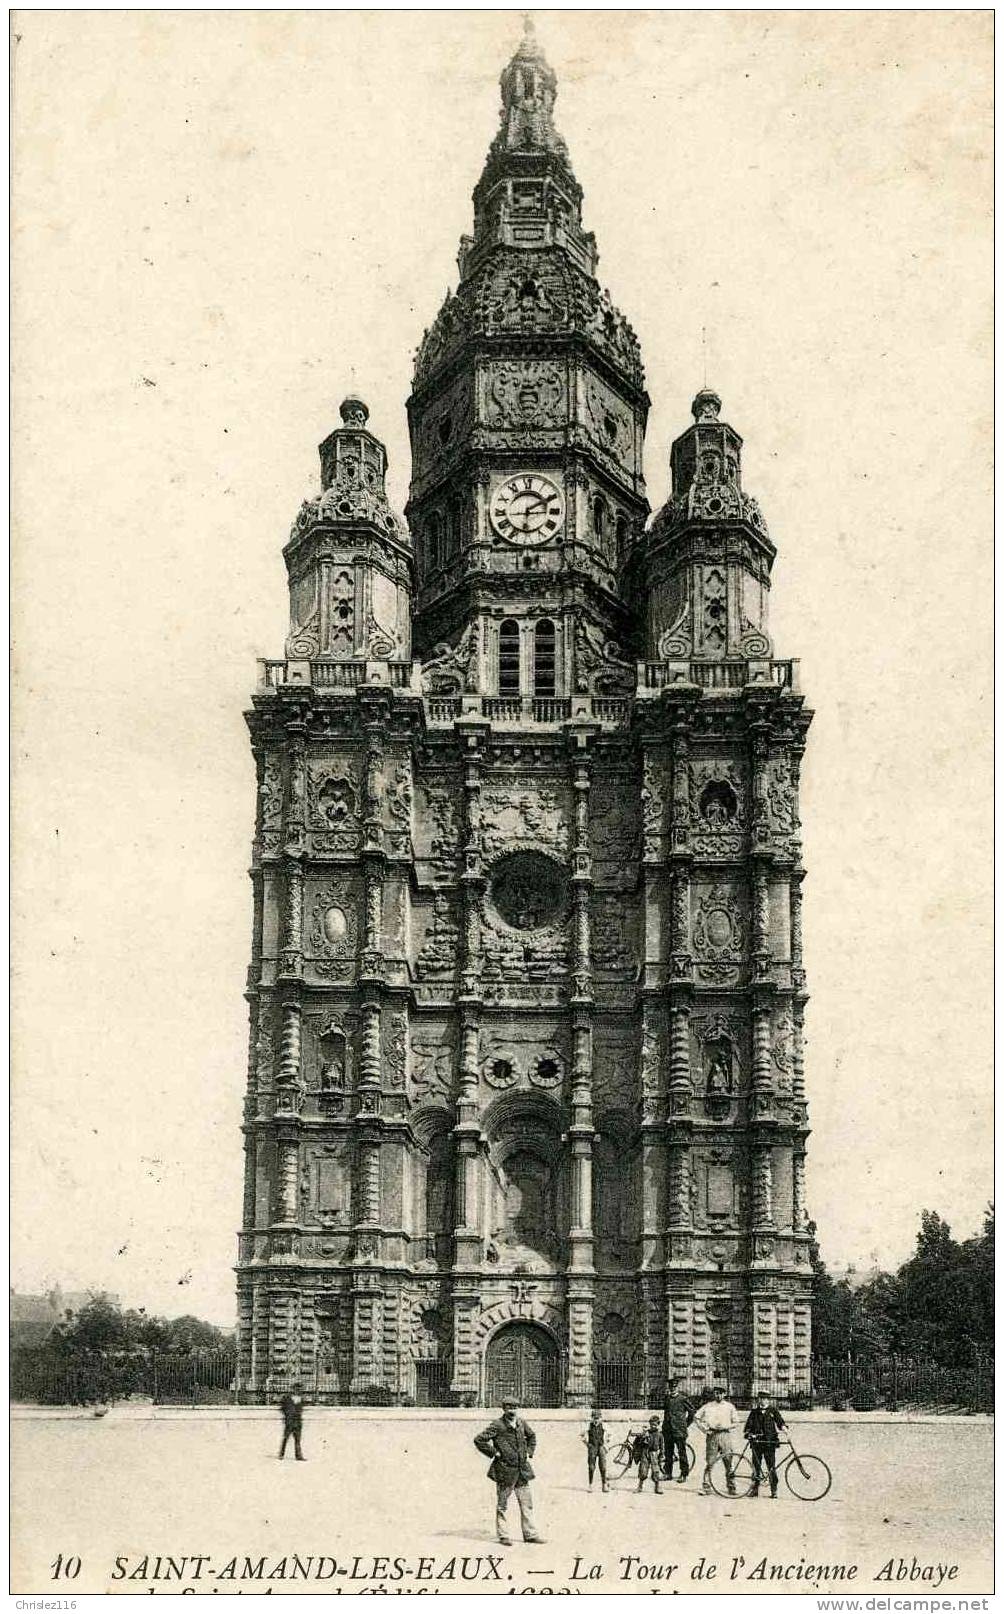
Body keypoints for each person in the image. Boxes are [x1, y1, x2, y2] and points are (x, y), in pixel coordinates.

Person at [474, 1399, 544, 1545]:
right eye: (509, 1408)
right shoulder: (497, 1425)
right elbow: (479, 1440)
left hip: (522, 1471)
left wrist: (529, 1452)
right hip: (505, 1471)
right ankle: (503, 1535)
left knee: (527, 1504)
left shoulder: (521, 1423)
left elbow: (532, 1437)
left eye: (515, 1407)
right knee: (503, 1505)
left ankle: (530, 1534)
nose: (512, 1410)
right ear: (504, 1409)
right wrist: (494, 1453)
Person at [694, 1385, 741, 1496]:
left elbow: (736, 1422)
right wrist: (704, 1429)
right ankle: (706, 1487)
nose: (718, 1395)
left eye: (720, 1393)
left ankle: (731, 1487)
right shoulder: (708, 1406)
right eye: (716, 1393)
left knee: (728, 1462)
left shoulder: (729, 1407)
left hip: (725, 1436)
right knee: (710, 1462)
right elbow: (696, 1417)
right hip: (712, 1436)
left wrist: (726, 1426)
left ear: (724, 1394)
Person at [744, 1391, 786, 1498]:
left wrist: (785, 1429)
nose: (762, 1401)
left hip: (769, 1443)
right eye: (760, 1398)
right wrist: (749, 1433)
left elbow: (780, 1422)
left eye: (765, 1399)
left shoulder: (773, 1410)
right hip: (757, 1443)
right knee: (756, 1467)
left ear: (768, 1400)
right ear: (758, 1400)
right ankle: (754, 1489)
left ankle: (774, 1490)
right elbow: (748, 1426)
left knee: (771, 1466)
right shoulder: (754, 1412)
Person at [662, 1377, 695, 1483]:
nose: (672, 1388)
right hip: (668, 1430)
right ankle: (668, 1473)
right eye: (671, 1387)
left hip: (679, 1431)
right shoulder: (667, 1398)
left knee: (682, 1453)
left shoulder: (683, 1399)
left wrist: (685, 1424)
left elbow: (692, 1412)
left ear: (677, 1387)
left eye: (674, 1387)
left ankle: (684, 1474)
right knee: (668, 1453)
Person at [632, 1416, 665, 1494]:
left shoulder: (660, 1435)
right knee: (643, 1470)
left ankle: (657, 1487)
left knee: (655, 1470)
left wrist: (661, 1454)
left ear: (658, 1425)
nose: (653, 1426)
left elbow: (662, 1446)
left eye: (655, 1425)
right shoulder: (646, 1433)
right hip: (645, 1452)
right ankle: (640, 1486)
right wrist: (642, 1438)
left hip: (654, 1453)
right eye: (652, 1424)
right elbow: (637, 1443)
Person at [581, 1409, 609, 1491]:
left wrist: (606, 1445)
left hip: (601, 1447)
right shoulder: (588, 1425)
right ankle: (590, 1485)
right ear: (592, 1418)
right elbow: (582, 1436)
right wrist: (587, 1444)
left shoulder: (604, 1426)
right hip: (592, 1447)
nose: (596, 1420)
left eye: (598, 1418)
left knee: (603, 1467)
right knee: (591, 1467)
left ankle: (604, 1485)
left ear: (601, 1418)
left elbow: (610, 1435)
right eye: (594, 1418)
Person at [278, 1383, 306, 1460]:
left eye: (300, 1389)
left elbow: (301, 1409)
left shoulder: (301, 1398)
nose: (299, 1390)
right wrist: (287, 1416)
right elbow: (282, 1408)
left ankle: (299, 1456)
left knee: (298, 1439)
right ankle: (281, 1454)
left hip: (298, 1422)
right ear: (293, 1389)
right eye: (297, 1389)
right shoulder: (286, 1397)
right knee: (286, 1438)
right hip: (289, 1421)